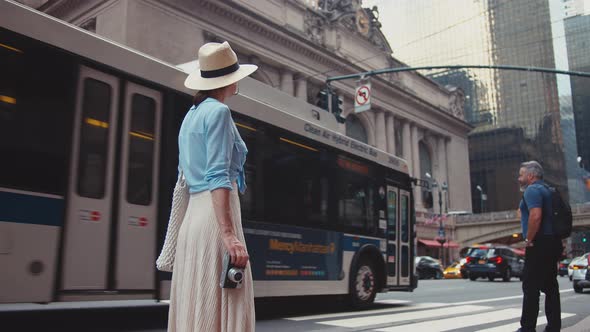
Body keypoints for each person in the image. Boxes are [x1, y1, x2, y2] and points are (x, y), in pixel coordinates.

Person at [167, 41, 257, 332]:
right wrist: (229, 235)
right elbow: (218, 175)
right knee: (228, 300)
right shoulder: (218, 112)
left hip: (194, 217)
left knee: (199, 300)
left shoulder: (190, 116)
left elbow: (185, 175)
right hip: (215, 217)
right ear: (229, 80)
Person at [517, 161, 563, 332]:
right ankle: (554, 327)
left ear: (530, 176)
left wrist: (528, 239)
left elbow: (536, 216)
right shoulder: (549, 190)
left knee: (530, 287)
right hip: (552, 242)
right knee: (550, 286)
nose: (518, 178)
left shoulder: (532, 190)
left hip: (539, 243)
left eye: (521, 175)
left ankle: (527, 328)